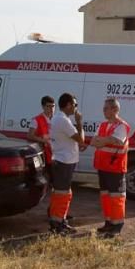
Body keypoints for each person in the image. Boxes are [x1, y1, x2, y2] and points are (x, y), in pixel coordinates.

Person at [90, 97, 130, 238]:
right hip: (103, 167)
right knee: (105, 197)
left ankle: (117, 225)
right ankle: (109, 222)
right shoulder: (102, 125)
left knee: (116, 197)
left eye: (106, 108)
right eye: (104, 108)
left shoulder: (121, 126)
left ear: (115, 109)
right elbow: (94, 141)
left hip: (115, 168)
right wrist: (104, 141)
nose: (104, 110)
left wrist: (103, 141)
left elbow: (117, 140)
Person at [48, 92, 85, 234]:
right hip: (64, 161)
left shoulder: (60, 119)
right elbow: (80, 139)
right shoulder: (63, 120)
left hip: (63, 160)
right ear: (68, 105)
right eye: (75, 105)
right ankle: (57, 224)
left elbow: (73, 140)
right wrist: (80, 122)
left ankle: (60, 221)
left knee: (63, 193)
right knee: (62, 193)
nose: (75, 108)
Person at [27, 95, 55, 186]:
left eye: (53, 106)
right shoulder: (37, 120)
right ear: (43, 107)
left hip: (53, 153)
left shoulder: (56, 120)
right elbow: (30, 136)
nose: (51, 109)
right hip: (42, 154)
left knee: (54, 179)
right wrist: (43, 140)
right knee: (44, 178)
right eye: (48, 106)